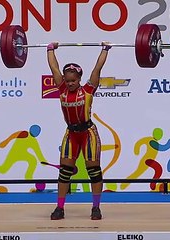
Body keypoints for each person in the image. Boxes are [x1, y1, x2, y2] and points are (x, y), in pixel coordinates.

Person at [47, 41, 111, 220]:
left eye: (73, 80)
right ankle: (59, 208)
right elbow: (54, 67)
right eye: (67, 80)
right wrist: (50, 49)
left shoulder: (88, 89)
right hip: (71, 134)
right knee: (65, 171)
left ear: (79, 79)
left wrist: (105, 49)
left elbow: (97, 68)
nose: (69, 83)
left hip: (88, 133)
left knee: (94, 171)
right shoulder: (61, 89)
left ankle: (96, 208)